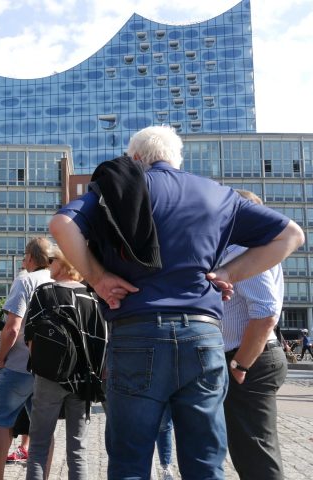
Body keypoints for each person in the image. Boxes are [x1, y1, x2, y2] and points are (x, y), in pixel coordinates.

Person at [50, 125, 304, 479]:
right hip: (203, 337)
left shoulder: (119, 190)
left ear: (135, 159)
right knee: (204, 462)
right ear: (175, 159)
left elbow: (62, 224)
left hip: (137, 332)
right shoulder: (218, 194)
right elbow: (291, 235)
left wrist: (97, 277)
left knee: (129, 463)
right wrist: (228, 274)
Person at [221, 189, 288, 479]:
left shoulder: (242, 251)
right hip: (251, 357)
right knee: (250, 450)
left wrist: (240, 364)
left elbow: (265, 314)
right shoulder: (252, 250)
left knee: (255, 453)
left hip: (249, 360)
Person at [23, 246, 102, 480]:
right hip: (82, 382)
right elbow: (100, 343)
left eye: (52, 259)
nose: (48, 263)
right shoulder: (92, 297)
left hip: (49, 377)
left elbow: (30, 340)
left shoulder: (44, 293)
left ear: (65, 262)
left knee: (38, 446)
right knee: (78, 450)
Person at [0, 237, 52, 480]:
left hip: (19, 365)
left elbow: (12, 328)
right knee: (43, 427)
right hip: (48, 369)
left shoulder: (25, 280)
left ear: (32, 258)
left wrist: (1, 358)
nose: (23, 261)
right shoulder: (57, 280)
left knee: (1, 419)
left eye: (25, 256)